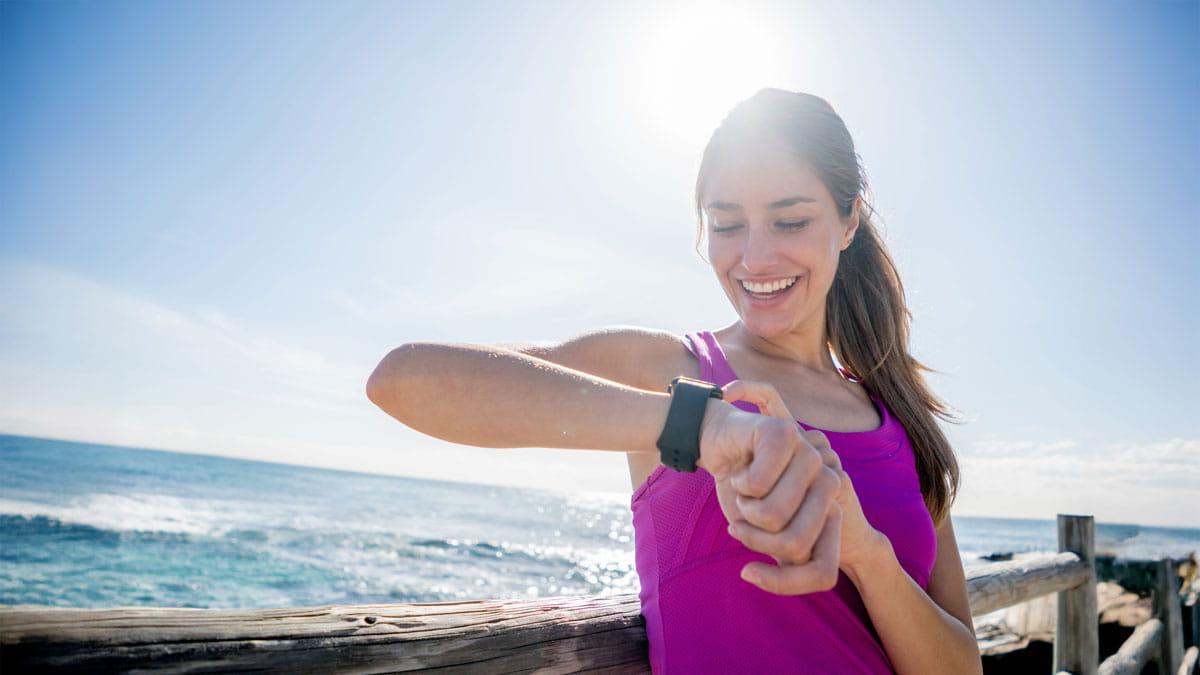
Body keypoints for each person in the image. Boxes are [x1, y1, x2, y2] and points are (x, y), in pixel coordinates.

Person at [366, 89, 982, 674]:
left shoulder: (902, 424)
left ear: (849, 223)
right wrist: (703, 426)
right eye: (727, 222)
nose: (755, 258)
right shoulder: (675, 372)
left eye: (790, 221)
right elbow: (403, 380)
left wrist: (868, 557)